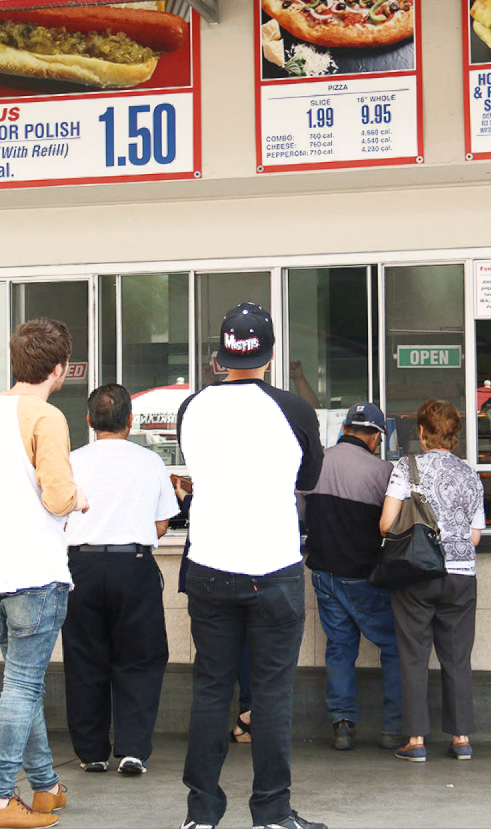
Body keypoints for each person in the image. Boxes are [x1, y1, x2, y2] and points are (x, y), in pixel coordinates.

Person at [177, 302, 325, 829]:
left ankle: (201, 814)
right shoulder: (294, 409)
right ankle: (271, 812)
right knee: (271, 694)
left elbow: (196, 467)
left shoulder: (191, 407)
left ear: (222, 353)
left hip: (210, 564)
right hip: (274, 565)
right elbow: (308, 475)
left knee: (212, 689)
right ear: (269, 353)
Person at [0, 317, 89, 829]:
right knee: (24, 687)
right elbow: (58, 495)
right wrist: (79, 498)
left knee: (20, 683)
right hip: (37, 571)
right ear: (61, 368)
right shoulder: (45, 417)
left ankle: (47, 787)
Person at [63, 383, 179, 777]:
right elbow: (162, 523)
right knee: (140, 657)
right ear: (130, 421)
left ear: (89, 420)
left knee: (84, 658)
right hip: (133, 565)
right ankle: (132, 750)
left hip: (80, 567)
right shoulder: (150, 462)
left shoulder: (70, 461)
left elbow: (56, 516)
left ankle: (92, 751)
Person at [379, 399, 484, 763]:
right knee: (458, 658)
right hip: (462, 576)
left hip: (418, 574)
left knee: (413, 657)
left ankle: (416, 741)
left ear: (422, 434)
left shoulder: (406, 468)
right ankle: (461, 738)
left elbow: (386, 524)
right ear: (453, 436)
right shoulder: (470, 474)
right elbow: (474, 536)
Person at [302, 401, 400, 752]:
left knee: (340, 648)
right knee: (393, 646)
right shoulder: (383, 472)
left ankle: (341, 724)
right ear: (375, 436)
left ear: (345, 428)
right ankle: (393, 727)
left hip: (324, 574)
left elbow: (298, 513)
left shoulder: (315, 464)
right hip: (364, 576)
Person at [173, 476, 254, 746]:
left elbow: (209, 515)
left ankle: (210, 732)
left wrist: (184, 496)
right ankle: (248, 712)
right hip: (247, 570)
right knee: (244, 646)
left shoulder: (217, 465)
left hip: (210, 571)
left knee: (212, 653)